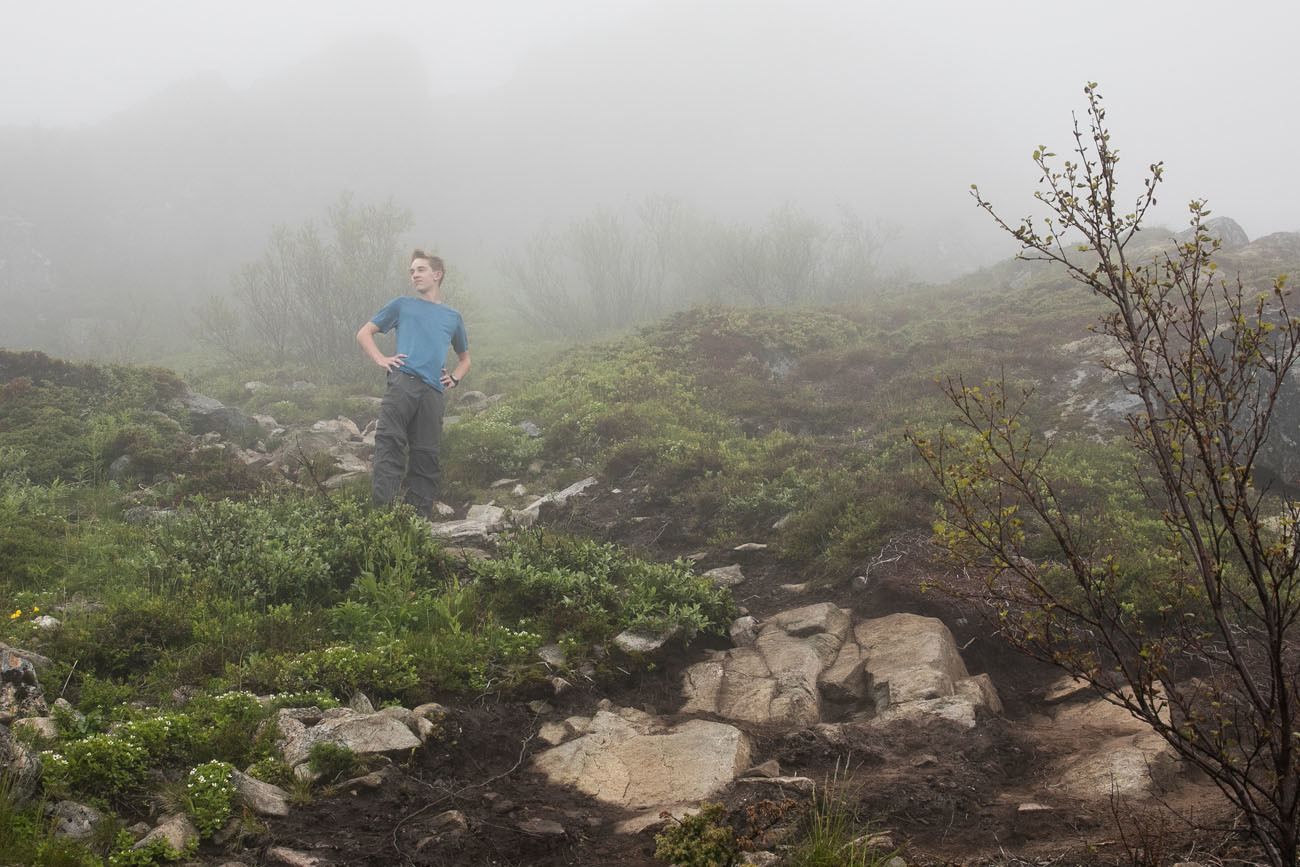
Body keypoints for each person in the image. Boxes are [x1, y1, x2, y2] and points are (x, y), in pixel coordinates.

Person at [356, 250, 470, 515]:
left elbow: (465, 359)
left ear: (437, 274)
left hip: (433, 392)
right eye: (411, 271)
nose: (414, 275)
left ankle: (417, 522)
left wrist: (454, 377)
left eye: (420, 269)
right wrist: (381, 359)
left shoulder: (452, 317)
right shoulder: (402, 304)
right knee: (389, 443)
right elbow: (364, 333)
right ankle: (383, 517)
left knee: (426, 456)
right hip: (403, 382)